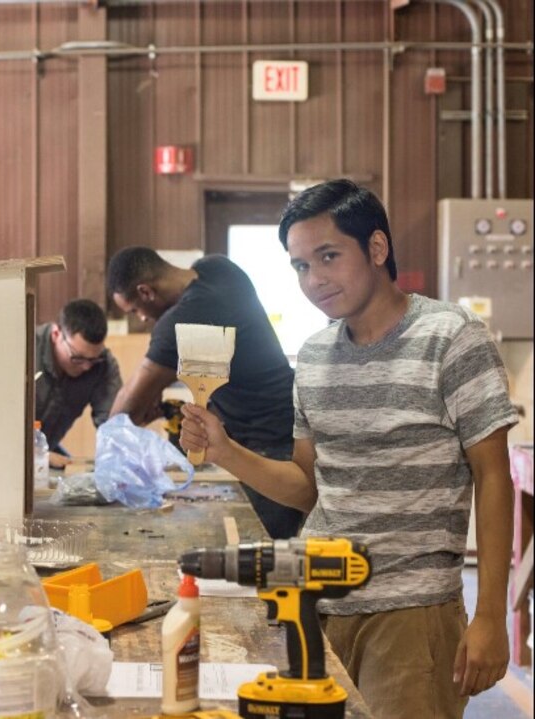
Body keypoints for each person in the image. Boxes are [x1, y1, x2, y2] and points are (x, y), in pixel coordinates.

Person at [179, 179, 516, 718]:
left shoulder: (451, 337)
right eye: (300, 266)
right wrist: (225, 450)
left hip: (411, 614)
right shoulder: (312, 358)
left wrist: (491, 616)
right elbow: (308, 487)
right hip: (320, 606)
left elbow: (494, 478)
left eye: (328, 257)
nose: (314, 280)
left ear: (377, 249)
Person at [106, 247, 303, 539]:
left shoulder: (181, 318)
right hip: (287, 423)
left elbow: (126, 412)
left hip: (268, 444)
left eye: (135, 310)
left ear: (146, 291)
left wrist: (105, 460)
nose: (142, 319)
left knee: (260, 555)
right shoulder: (220, 269)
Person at [34, 299, 123, 469]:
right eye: (78, 358)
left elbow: (112, 425)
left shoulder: (102, 365)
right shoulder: (25, 350)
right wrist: (35, 454)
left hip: (48, 454)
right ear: (56, 334)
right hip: (7, 454)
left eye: (92, 359)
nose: (86, 366)